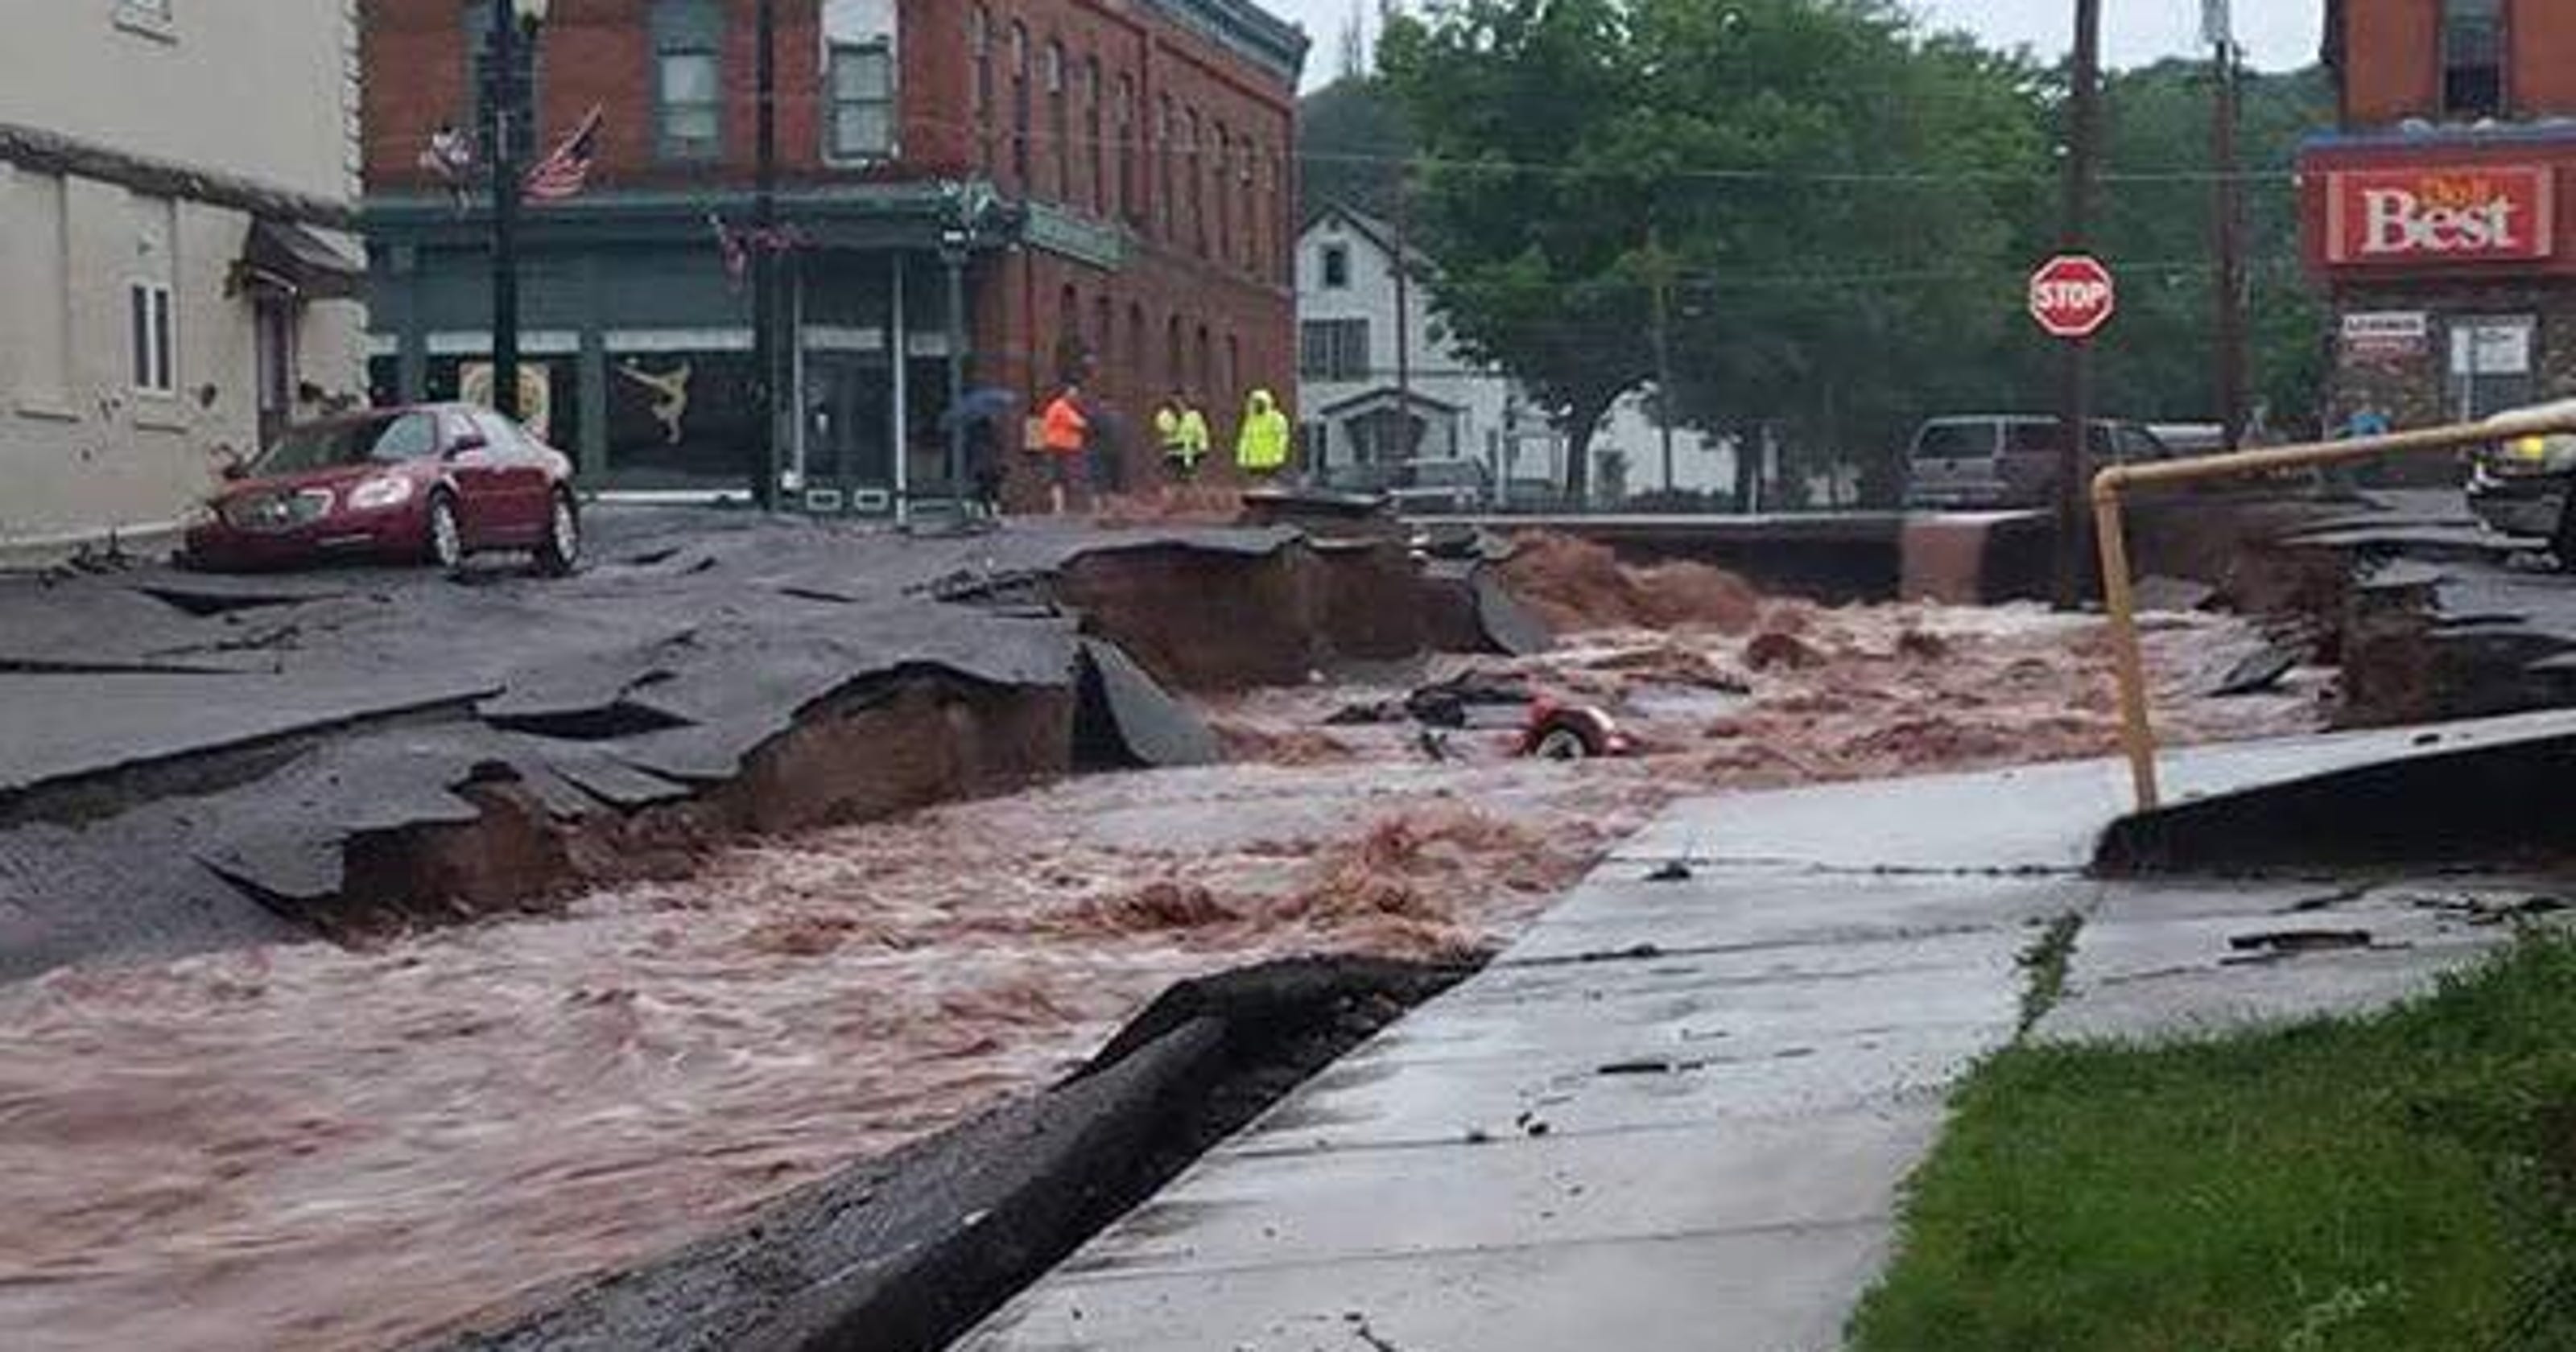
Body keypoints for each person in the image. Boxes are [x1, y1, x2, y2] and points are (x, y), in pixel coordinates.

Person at [1039, 381, 1090, 514]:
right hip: (1062, 446)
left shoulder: (1060, 406)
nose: (1075, 396)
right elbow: (1079, 423)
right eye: (1072, 393)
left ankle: (1060, 506)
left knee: (1058, 477)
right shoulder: (1061, 407)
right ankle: (1062, 506)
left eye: (1076, 393)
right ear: (1065, 394)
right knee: (1065, 476)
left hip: (1059, 445)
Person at [1154, 389, 1211, 481]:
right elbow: (1167, 429)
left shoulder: (1194, 415)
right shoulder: (1166, 414)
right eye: (1175, 400)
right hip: (1173, 454)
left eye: (1180, 399)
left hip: (1192, 454)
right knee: (1173, 480)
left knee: (1190, 479)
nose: (1178, 402)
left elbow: (1202, 432)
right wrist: (1175, 416)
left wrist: (1204, 447)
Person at [1235, 388, 1290, 480]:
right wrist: (1242, 458)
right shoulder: (1250, 420)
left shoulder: (1276, 419)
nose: (1258, 405)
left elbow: (1282, 439)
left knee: (1270, 487)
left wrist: (1279, 456)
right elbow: (1244, 440)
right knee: (1256, 489)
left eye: (1260, 403)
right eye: (1255, 403)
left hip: (1271, 463)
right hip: (1253, 464)